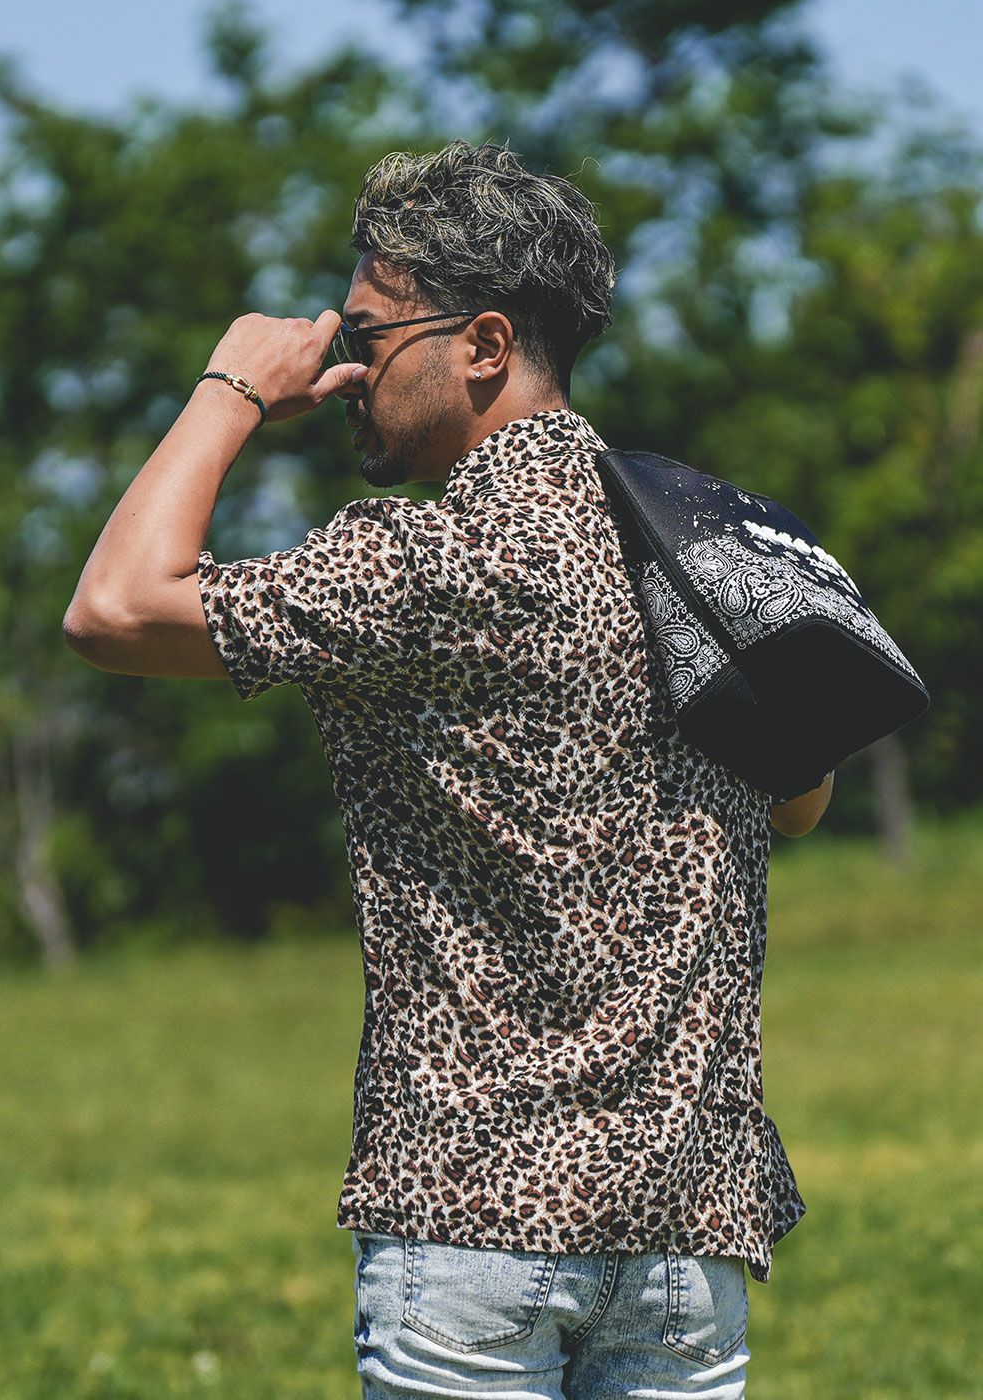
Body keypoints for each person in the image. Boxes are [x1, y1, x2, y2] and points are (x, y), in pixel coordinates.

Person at [63, 138, 833, 1399]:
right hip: (687, 1230)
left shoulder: (431, 558)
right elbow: (801, 798)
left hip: (473, 1215)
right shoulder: (695, 547)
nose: (344, 366)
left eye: (370, 334)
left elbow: (112, 609)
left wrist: (230, 387)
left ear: (483, 344)